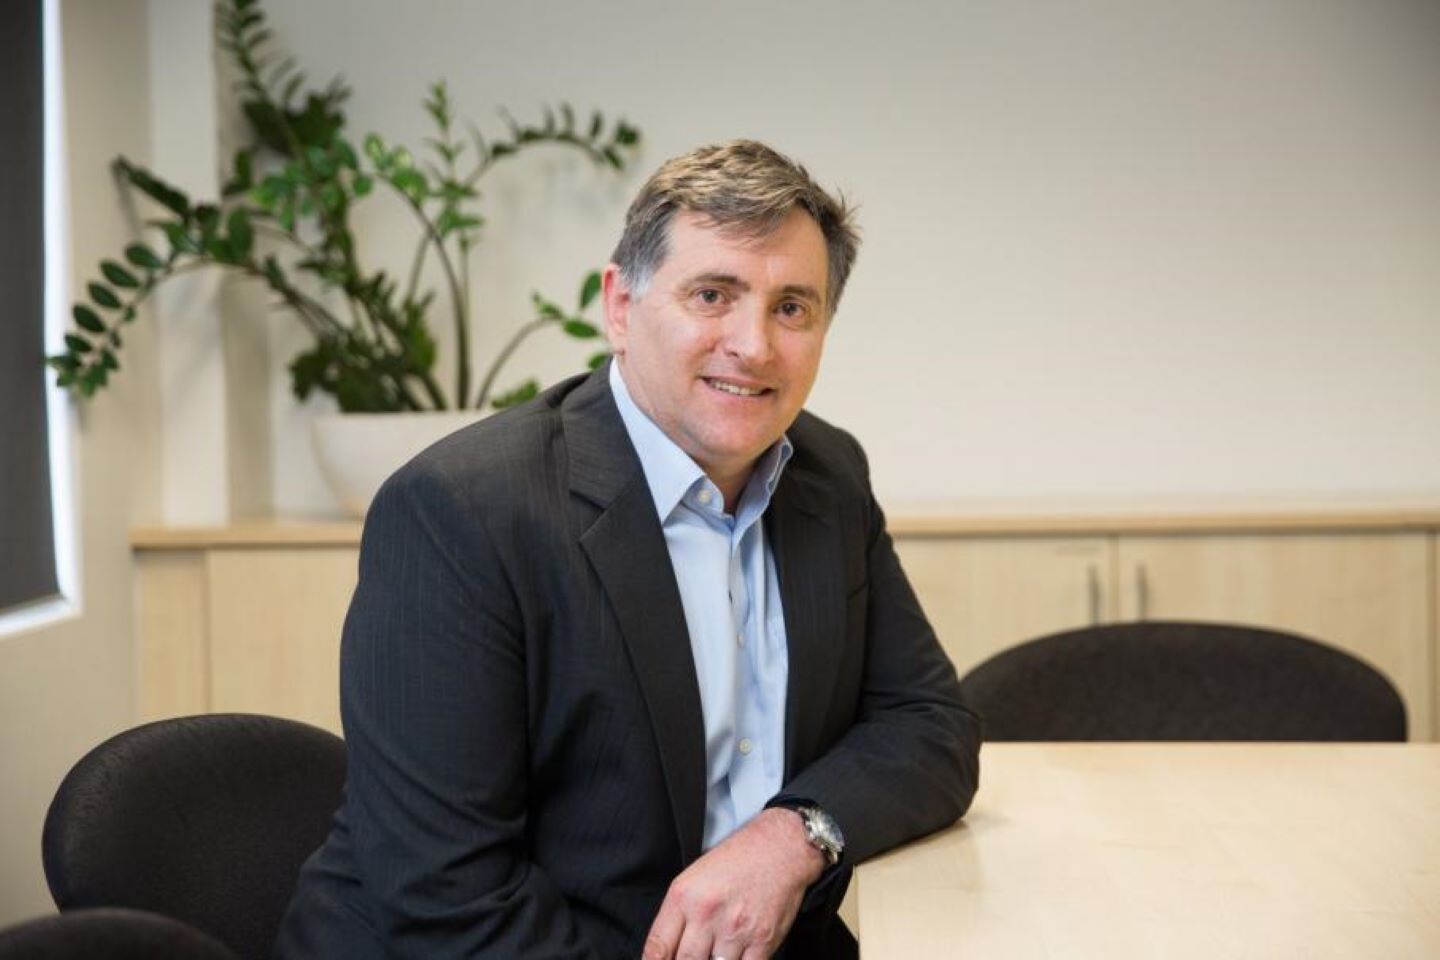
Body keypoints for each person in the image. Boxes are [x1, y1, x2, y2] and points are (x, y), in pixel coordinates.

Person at [276, 139, 982, 959]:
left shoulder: (828, 475)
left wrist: (794, 836)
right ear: (620, 305)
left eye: (792, 307)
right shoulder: (463, 511)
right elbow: (446, 896)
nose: (754, 345)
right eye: (712, 295)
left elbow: (929, 724)